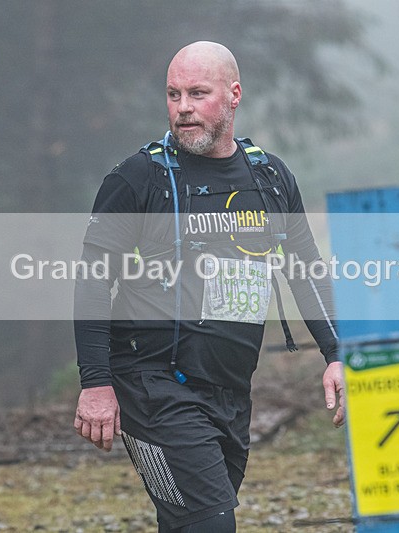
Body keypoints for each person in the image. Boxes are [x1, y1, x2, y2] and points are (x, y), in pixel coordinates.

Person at [72, 41, 344, 532]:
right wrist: (95, 383)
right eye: (173, 95)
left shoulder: (270, 177)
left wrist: (336, 353)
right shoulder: (140, 177)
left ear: (234, 94)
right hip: (152, 384)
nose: (183, 109)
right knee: (212, 523)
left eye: (198, 93)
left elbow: (304, 266)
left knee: (187, 524)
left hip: (230, 390)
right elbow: (92, 280)